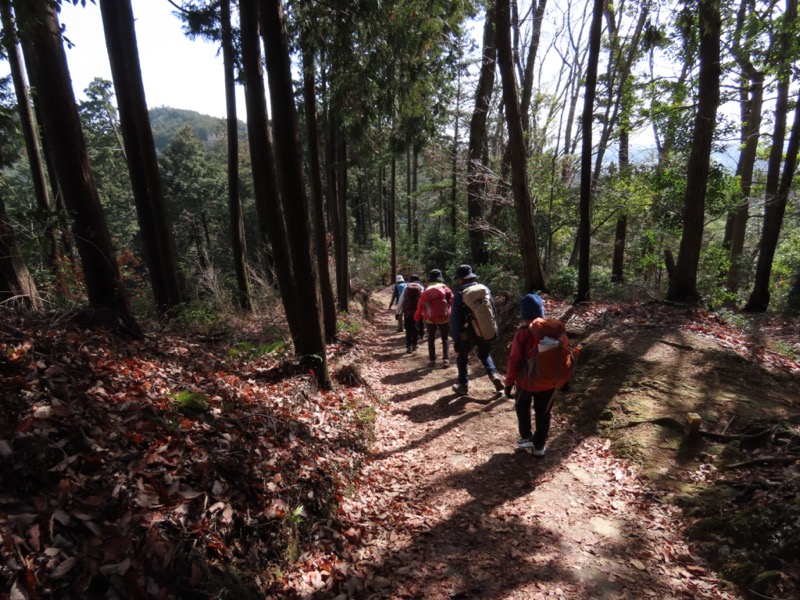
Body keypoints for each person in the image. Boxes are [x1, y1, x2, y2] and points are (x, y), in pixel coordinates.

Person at [503, 293, 555, 456]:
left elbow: (514, 360)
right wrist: (564, 380)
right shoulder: (554, 329)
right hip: (549, 381)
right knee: (543, 411)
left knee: (522, 405)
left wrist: (509, 383)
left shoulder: (523, 332)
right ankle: (539, 446)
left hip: (527, 381)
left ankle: (526, 437)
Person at [449, 264, 503, 395]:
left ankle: (462, 385)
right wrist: (493, 328)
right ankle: (494, 375)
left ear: (460, 279)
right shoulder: (485, 289)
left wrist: (455, 338)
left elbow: (455, 319)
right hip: (484, 328)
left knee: (462, 357)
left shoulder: (460, 294)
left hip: (467, 333)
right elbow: (493, 311)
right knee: (485, 354)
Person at [414, 269, 452, 368]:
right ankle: (446, 359)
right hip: (444, 318)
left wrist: (417, 318)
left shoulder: (426, 291)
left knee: (431, 339)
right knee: (445, 338)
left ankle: (432, 360)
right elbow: (452, 303)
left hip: (429, 318)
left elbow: (420, 306)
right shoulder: (446, 289)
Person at [399, 274, 424, 353]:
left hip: (408, 312)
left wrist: (397, 312)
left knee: (408, 329)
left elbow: (401, 300)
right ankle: (414, 344)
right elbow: (424, 301)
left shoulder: (406, 287)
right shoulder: (421, 288)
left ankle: (408, 346)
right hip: (418, 312)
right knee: (415, 328)